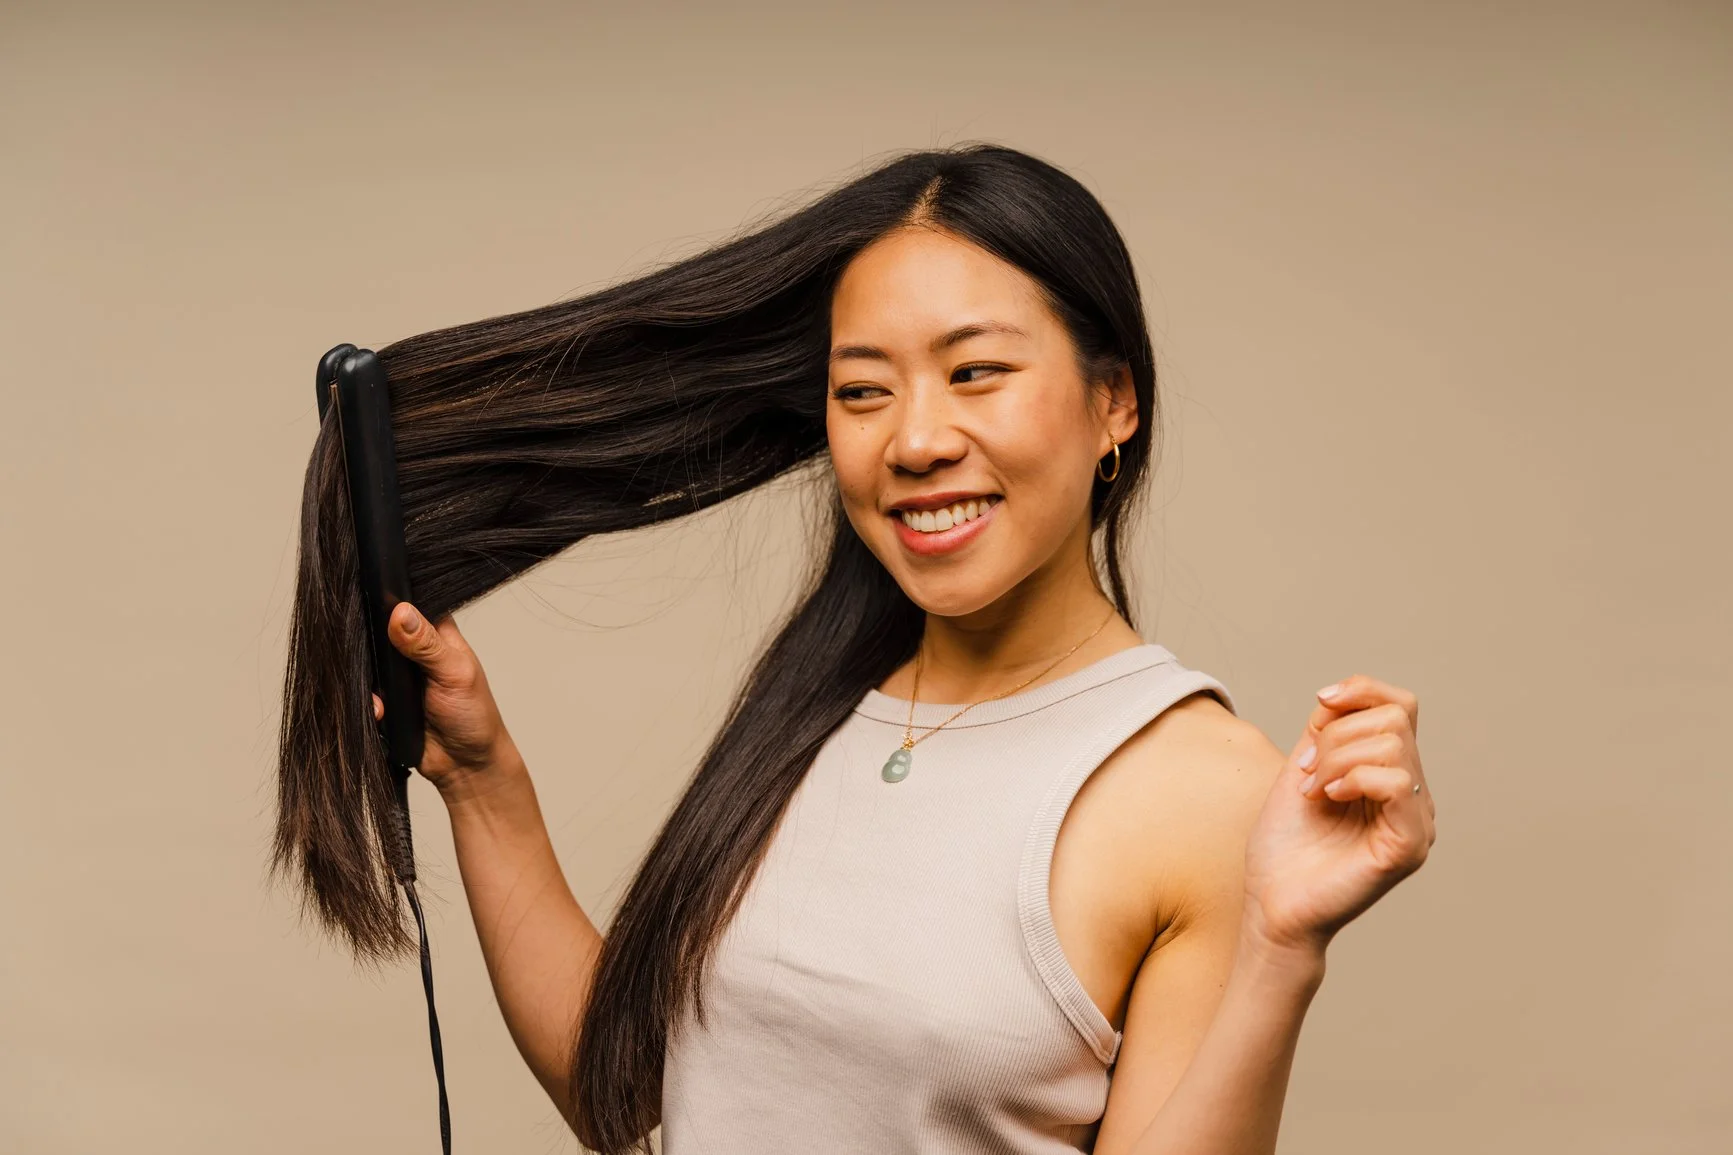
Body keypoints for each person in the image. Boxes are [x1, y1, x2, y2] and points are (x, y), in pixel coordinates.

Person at [287, 143, 1435, 1155]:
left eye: (975, 371)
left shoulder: (1203, 789)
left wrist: (1280, 951)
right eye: (862, 390)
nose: (916, 439)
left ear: (1114, 402)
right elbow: (625, 1096)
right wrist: (483, 782)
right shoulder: (819, 704)